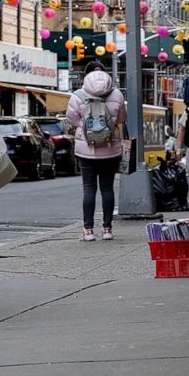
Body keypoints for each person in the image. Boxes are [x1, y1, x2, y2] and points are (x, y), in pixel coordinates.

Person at [66, 60, 126, 242]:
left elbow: (72, 120)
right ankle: (107, 229)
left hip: (87, 149)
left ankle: (88, 231)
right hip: (110, 148)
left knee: (89, 190)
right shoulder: (116, 94)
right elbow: (121, 119)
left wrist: (85, 129)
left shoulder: (77, 96)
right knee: (107, 189)